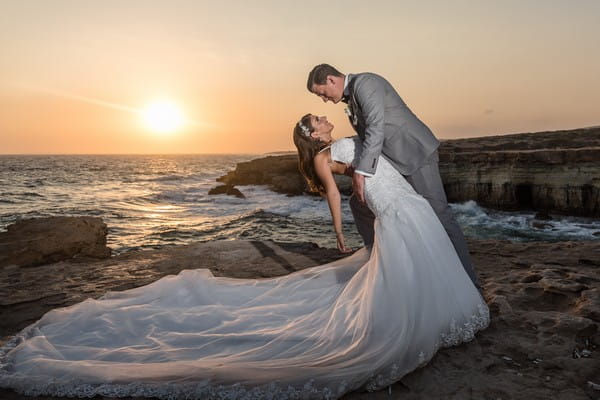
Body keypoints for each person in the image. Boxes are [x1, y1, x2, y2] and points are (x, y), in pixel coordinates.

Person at [0, 116, 488, 400]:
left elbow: (370, 163)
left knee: (423, 260)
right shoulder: (323, 154)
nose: (323, 117)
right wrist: (341, 233)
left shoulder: (348, 136)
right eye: (316, 119)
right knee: (402, 273)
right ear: (313, 134)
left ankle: (448, 309)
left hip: (403, 202)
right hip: (393, 209)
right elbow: (335, 198)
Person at [307, 64, 480, 289]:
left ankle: (469, 282)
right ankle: (386, 266)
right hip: (392, 162)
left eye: (322, 93)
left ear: (331, 80)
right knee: (360, 206)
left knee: (439, 215)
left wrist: (362, 171)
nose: (324, 99)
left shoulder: (366, 83)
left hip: (413, 155)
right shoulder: (351, 98)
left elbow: (376, 128)